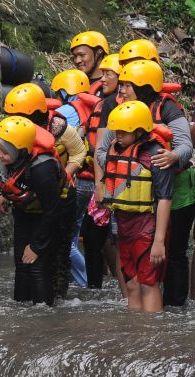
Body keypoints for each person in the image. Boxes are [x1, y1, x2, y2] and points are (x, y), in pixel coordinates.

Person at [103, 58, 193, 306]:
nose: (121, 90)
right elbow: (104, 151)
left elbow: (185, 145)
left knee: (165, 264)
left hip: (160, 207)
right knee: (133, 282)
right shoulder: (121, 117)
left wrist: (172, 155)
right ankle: (136, 333)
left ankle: (174, 309)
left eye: (127, 85)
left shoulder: (167, 113)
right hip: (127, 218)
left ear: (142, 86)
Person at [2, 82, 86, 298]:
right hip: (29, 197)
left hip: (60, 194)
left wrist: (65, 174)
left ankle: (58, 295)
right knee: (27, 258)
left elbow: (79, 152)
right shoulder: (14, 131)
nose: (12, 120)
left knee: (59, 250)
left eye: (18, 115)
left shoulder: (58, 126)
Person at [0, 116, 67, 304]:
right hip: (25, 209)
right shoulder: (2, 153)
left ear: (20, 150)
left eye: (5, 151)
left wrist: (36, 246)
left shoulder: (43, 169)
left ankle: (44, 314)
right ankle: (21, 308)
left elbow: (53, 211)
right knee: (21, 263)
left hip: (51, 212)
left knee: (37, 264)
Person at [98, 100, 174, 312]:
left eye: (124, 130)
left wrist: (159, 241)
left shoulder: (156, 155)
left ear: (140, 130)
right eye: (117, 130)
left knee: (148, 283)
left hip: (147, 227)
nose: (118, 134)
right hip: (124, 226)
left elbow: (165, 198)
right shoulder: (116, 150)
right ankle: (134, 334)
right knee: (131, 283)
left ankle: (151, 336)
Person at [51, 69, 103, 287]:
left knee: (67, 240)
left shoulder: (65, 111)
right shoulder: (95, 107)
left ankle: (85, 285)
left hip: (78, 180)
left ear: (64, 91)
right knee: (74, 237)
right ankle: (89, 283)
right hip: (93, 181)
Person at [82, 54, 123, 290]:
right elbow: (100, 147)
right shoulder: (107, 104)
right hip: (105, 181)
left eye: (109, 74)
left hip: (121, 182)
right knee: (92, 236)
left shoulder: (114, 104)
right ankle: (96, 288)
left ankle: (121, 291)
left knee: (118, 241)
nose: (103, 78)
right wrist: (99, 185)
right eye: (103, 73)